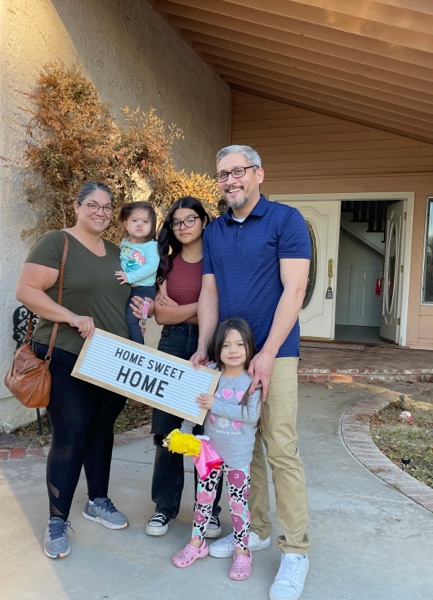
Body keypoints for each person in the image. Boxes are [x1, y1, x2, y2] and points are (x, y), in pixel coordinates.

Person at [190, 145, 312, 600]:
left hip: (275, 355)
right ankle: (256, 527)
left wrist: (269, 351)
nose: (230, 180)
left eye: (238, 171)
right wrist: (204, 347)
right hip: (231, 360)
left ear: (258, 173)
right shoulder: (216, 232)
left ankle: (296, 550)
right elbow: (208, 293)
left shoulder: (285, 220)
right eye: (222, 174)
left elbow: (294, 287)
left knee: (280, 448)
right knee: (244, 448)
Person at [15, 181, 132, 560]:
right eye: (93, 205)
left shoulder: (117, 252)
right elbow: (27, 291)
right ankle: (57, 520)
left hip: (110, 360)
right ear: (77, 206)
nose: (100, 212)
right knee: (71, 433)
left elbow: (123, 298)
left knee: (101, 430)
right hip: (67, 354)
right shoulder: (56, 242)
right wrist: (71, 317)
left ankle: (97, 500)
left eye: (107, 207)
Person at [141, 196, 223, 539]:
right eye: (176, 222)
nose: (183, 227)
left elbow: (221, 305)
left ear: (204, 221)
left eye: (190, 220)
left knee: (208, 432)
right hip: (173, 342)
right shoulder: (167, 262)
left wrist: (186, 308)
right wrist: (202, 306)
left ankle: (210, 510)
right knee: (166, 429)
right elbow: (162, 315)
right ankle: (165, 507)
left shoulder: (218, 259)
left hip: (213, 343)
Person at [171, 318, 261, 581]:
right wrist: (184, 432)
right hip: (209, 453)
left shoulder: (252, 380)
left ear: (250, 347)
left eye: (240, 344)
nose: (233, 350)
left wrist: (215, 403)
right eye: (226, 345)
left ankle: (242, 552)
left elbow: (251, 414)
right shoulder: (211, 374)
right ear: (217, 349)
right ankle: (196, 545)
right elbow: (197, 405)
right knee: (203, 500)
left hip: (238, 456)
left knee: (238, 505)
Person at [115, 201, 159, 344]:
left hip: (143, 291)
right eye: (135, 220)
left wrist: (130, 277)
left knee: (132, 319)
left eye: (145, 221)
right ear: (126, 224)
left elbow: (152, 266)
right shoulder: (124, 243)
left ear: (152, 226)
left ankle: (138, 348)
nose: (140, 224)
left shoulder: (151, 246)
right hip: (126, 288)